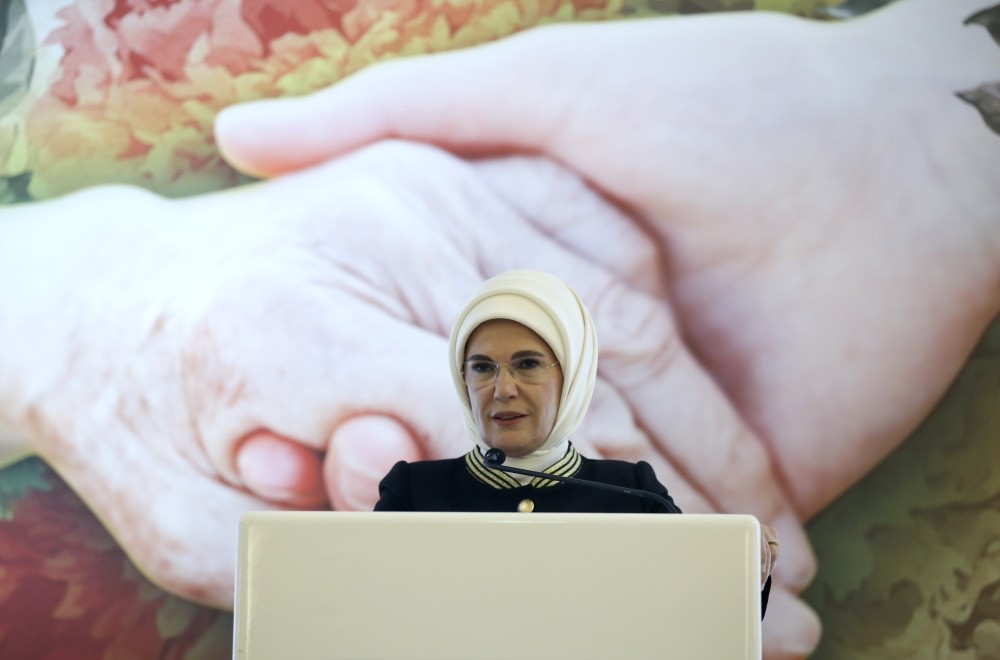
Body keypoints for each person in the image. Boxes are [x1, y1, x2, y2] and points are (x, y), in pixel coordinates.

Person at [374, 268, 779, 613]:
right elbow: (367, 614)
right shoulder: (412, 491)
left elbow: (694, 623)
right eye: (482, 368)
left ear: (573, 376)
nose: (502, 389)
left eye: (527, 364)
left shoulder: (634, 494)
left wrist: (744, 571)